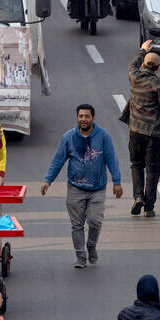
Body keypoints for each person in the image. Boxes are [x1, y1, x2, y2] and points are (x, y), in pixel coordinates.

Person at [41, 104, 123, 268]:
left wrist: (117, 182)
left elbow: (112, 159)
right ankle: (80, 256)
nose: (83, 119)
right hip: (75, 188)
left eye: (87, 116)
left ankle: (91, 245)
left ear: (93, 118)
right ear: (77, 118)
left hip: (97, 188)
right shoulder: (68, 137)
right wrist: (47, 180)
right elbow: (58, 160)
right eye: (81, 116)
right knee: (77, 225)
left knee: (95, 221)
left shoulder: (103, 136)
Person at [124, 40, 160, 218]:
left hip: (135, 131)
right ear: (158, 67)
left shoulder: (134, 76)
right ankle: (149, 207)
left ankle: (138, 196)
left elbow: (133, 64)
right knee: (153, 170)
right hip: (154, 134)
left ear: (144, 65)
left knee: (136, 165)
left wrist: (142, 50)